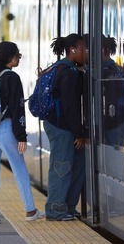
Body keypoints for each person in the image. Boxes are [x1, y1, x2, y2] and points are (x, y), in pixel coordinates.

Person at [0, 41, 46, 224]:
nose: (19, 58)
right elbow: (17, 108)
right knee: (19, 167)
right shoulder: (11, 77)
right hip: (4, 127)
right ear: (10, 58)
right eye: (17, 55)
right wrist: (21, 135)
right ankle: (31, 210)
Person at [43, 33, 88, 221]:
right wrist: (78, 133)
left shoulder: (67, 69)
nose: (86, 52)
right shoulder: (66, 73)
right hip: (62, 128)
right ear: (73, 50)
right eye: (83, 49)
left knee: (76, 166)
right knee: (61, 168)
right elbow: (70, 107)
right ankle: (55, 210)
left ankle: (68, 206)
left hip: (63, 126)